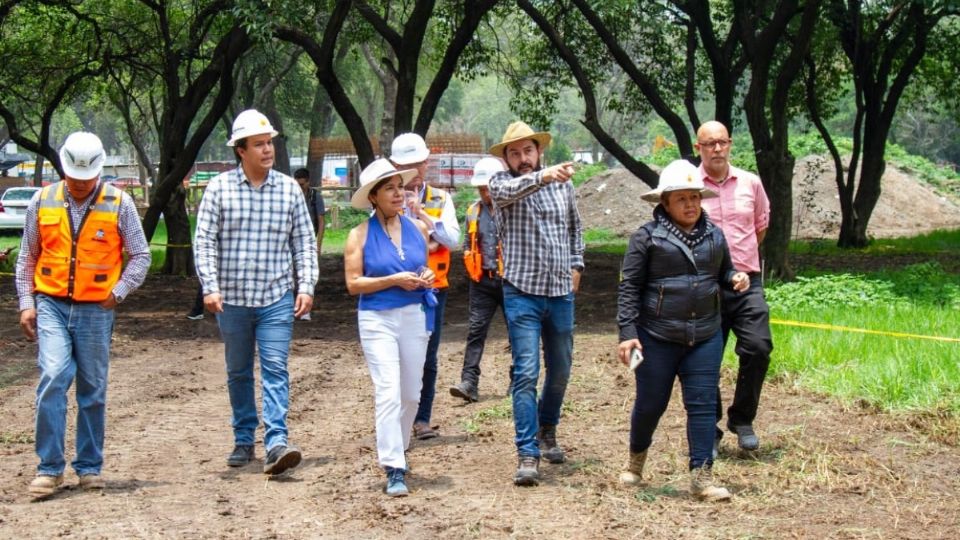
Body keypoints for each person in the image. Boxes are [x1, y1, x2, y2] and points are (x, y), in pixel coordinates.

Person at [15, 131, 151, 497]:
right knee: (54, 376)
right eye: (74, 178)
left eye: (86, 179)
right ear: (63, 170)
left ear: (99, 172)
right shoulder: (41, 201)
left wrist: (118, 292)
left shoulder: (118, 203)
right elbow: (27, 256)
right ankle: (49, 468)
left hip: (96, 309)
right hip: (52, 304)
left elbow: (141, 255)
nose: (79, 185)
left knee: (92, 389)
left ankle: (89, 467)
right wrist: (26, 303)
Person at [194, 109, 318, 475]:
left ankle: (277, 441)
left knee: (276, 368)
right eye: (259, 144)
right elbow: (203, 242)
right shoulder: (219, 189)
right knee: (238, 371)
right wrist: (210, 287)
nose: (268, 150)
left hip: (276, 298)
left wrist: (306, 285)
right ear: (241, 151)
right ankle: (244, 437)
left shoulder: (289, 189)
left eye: (270, 143)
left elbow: (305, 243)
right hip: (231, 300)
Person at [616, 159, 749, 502]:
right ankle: (635, 463)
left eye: (695, 197)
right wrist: (627, 333)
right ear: (665, 203)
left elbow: (724, 271)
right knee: (650, 404)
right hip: (654, 338)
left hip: (705, 334)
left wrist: (734, 278)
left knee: (703, 405)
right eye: (682, 199)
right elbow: (629, 287)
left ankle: (702, 479)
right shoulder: (646, 238)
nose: (691, 205)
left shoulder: (715, 235)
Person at [487, 121, 584, 486]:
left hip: (560, 291)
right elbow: (511, 191)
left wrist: (577, 264)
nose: (522, 158)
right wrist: (543, 178)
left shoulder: (565, 186)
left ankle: (548, 429)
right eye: (515, 153)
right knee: (526, 372)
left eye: (528, 151)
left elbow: (576, 228)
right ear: (507, 158)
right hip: (521, 292)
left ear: (538, 151)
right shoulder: (501, 184)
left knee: (560, 370)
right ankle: (527, 452)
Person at [344, 158, 435, 497]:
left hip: (414, 314)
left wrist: (425, 276)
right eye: (390, 188)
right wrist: (391, 280)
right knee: (388, 391)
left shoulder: (418, 229)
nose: (399, 193)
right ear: (373, 196)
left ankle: (399, 444)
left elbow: (424, 268)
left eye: (400, 187)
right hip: (377, 318)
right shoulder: (359, 235)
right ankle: (394, 465)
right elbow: (353, 284)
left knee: (412, 393)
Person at [695, 120, 773, 453]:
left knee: (758, 347)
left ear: (730, 145)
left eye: (722, 142)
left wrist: (739, 263)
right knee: (704, 360)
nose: (716, 149)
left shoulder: (751, 183)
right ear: (698, 148)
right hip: (704, 285)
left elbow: (760, 228)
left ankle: (742, 419)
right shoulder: (690, 188)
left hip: (747, 282)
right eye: (709, 144)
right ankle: (707, 430)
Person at [389, 133, 461, 440]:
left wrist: (422, 217)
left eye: (418, 163)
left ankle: (422, 419)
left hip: (432, 291)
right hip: (394, 289)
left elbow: (453, 239)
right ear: (394, 165)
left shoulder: (441, 199)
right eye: (406, 165)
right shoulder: (384, 199)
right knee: (396, 355)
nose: (414, 171)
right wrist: (427, 242)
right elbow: (383, 243)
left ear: (426, 162)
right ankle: (396, 416)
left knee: (428, 355)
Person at [449, 157, 508, 403]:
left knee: (517, 334)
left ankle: (518, 382)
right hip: (482, 282)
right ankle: (469, 382)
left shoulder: (512, 209)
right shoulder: (473, 211)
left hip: (511, 282)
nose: (484, 193)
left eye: (487, 188)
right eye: (481, 189)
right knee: (475, 331)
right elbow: (466, 244)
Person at [293, 167, 326, 321]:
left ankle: (305, 308)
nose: (300, 188)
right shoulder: (291, 196)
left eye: (302, 184)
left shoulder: (315, 197)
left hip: (308, 240)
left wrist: (318, 244)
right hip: (290, 240)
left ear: (308, 182)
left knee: (307, 273)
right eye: (297, 184)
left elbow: (321, 220)